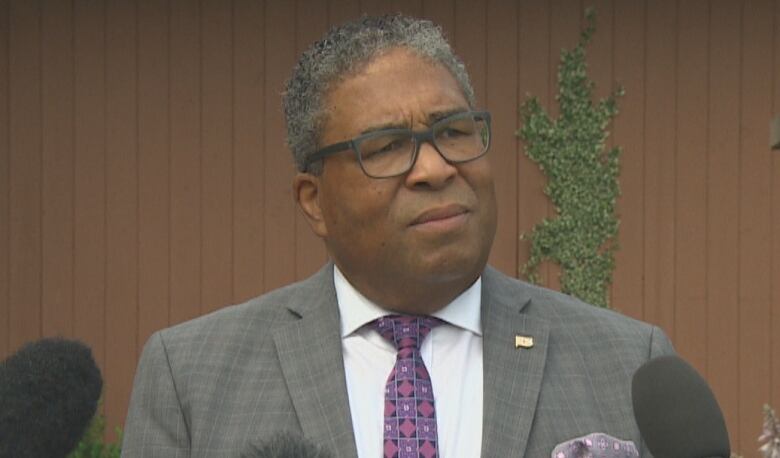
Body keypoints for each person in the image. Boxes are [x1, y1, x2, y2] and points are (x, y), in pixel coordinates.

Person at [121, 14, 674, 458]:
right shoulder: (190, 375)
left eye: (453, 132)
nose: (434, 169)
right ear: (314, 202)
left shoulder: (630, 363)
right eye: (386, 147)